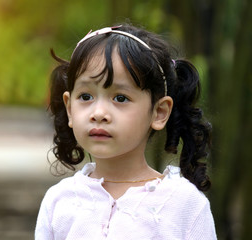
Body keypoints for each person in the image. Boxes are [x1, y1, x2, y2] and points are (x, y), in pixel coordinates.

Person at [35, 24, 217, 239]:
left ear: (159, 112)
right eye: (86, 96)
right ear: (69, 108)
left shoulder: (186, 206)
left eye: (120, 98)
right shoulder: (59, 201)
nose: (99, 113)